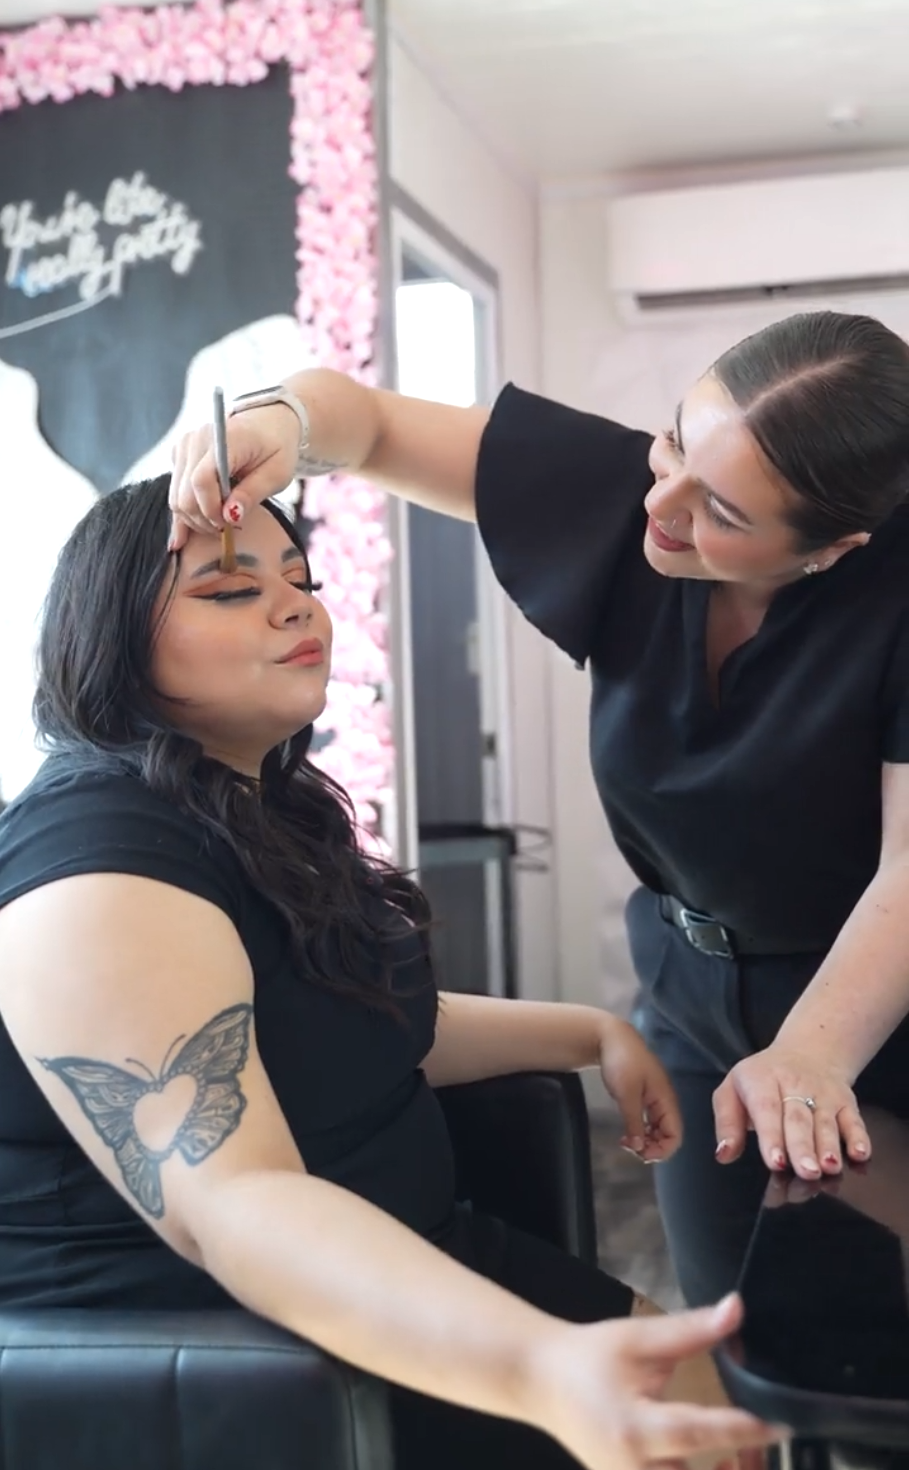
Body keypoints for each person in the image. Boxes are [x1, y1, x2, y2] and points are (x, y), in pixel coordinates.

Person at [0, 477, 778, 1470]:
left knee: (716, 1419)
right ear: (109, 640)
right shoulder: (96, 861)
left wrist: (591, 1033)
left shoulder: (240, 808)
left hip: (411, 1251)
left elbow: (348, 1021)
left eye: (300, 576)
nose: (295, 605)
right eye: (230, 590)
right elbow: (232, 1207)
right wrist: (537, 1371)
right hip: (241, 1352)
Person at [168, 309, 909, 1309]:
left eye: (723, 513)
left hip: (872, 1006)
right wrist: (284, 422)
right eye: (676, 443)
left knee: (859, 1354)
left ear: (832, 550)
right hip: (690, 990)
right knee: (729, 1326)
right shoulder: (634, 493)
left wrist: (816, 1053)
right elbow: (373, 427)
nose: (664, 505)